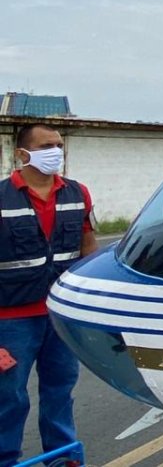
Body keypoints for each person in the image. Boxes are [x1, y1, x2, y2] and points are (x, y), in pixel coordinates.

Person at [0, 124, 97, 467]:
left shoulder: (78, 193)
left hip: (59, 315)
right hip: (11, 321)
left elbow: (87, 247)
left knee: (60, 390)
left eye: (59, 144)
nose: (56, 151)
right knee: (9, 397)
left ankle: (63, 458)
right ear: (22, 154)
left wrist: (86, 306)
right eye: (46, 146)